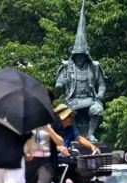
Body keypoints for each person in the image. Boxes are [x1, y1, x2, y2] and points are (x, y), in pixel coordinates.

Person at [55, 0, 106, 142]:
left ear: (86, 55)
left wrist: (101, 94)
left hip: (90, 99)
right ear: (73, 55)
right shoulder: (66, 67)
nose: (79, 58)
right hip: (72, 100)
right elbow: (58, 84)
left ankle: (90, 134)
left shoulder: (94, 67)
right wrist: (60, 85)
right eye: (77, 56)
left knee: (97, 109)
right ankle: (69, 136)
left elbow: (101, 85)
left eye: (82, 55)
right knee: (62, 113)